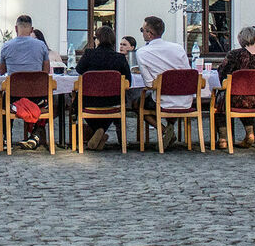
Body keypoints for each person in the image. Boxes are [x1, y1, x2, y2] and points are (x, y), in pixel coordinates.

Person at [136, 15, 192, 150]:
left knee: (138, 105)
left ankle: (163, 130)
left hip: (163, 100)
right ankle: (170, 127)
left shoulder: (142, 52)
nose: (142, 33)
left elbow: (149, 83)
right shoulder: (178, 48)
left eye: (142, 30)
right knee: (168, 98)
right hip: (185, 100)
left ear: (149, 34)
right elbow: (188, 73)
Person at [74, 25, 132, 150]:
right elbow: (128, 82)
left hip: (89, 100)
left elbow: (78, 70)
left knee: (76, 104)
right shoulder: (120, 58)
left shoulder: (89, 54)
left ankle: (98, 130)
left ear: (98, 40)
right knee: (113, 107)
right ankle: (101, 131)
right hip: (114, 102)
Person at [0, 15, 51, 150]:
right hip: (37, 98)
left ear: (16, 28)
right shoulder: (42, 46)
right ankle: (37, 133)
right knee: (51, 100)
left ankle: (5, 137)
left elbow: (1, 71)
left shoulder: (6, 46)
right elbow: (46, 72)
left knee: (4, 99)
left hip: (14, 98)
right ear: (31, 29)